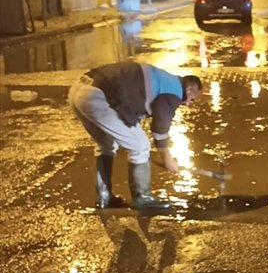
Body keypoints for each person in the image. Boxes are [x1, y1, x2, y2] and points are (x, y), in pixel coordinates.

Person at [68, 60, 203, 212]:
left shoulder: (164, 80)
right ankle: (142, 199)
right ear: (190, 89)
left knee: (106, 144)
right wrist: (167, 158)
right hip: (96, 96)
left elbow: (131, 106)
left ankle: (104, 196)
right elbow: (160, 126)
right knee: (140, 146)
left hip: (78, 90)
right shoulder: (174, 91)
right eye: (192, 100)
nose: (188, 104)